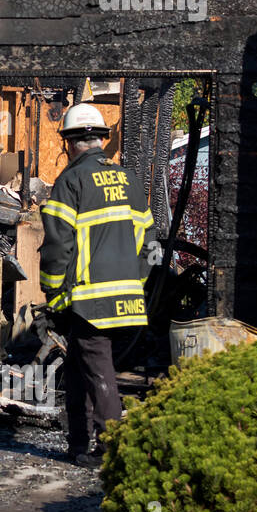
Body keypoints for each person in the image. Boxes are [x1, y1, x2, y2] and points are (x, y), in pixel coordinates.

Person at [39, 103, 155, 466]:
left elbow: (58, 244)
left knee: (100, 370)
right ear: (101, 140)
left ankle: (112, 448)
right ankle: (77, 444)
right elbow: (149, 243)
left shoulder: (71, 182)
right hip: (127, 298)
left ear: (70, 143)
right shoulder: (130, 180)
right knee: (80, 364)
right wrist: (134, 282)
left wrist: (52, 290)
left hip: (89, 299)